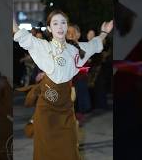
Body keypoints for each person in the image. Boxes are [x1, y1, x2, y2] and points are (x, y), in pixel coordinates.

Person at [13, 9, 113, 160]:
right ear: (49, 28)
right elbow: (21, 35)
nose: (60, 27)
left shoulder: (75, 50)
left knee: (69, 152)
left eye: (63, 23)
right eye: (55, 23)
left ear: (67, 26)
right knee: (45, 153)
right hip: (46, 111)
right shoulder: (42, 46)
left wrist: (104, 32)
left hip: (66, 111)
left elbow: (94, 45)